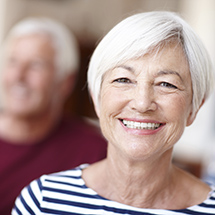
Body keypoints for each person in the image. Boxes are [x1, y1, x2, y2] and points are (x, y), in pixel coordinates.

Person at [12, 11, 215, 215]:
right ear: (97, 99)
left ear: (194, 108)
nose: (142, 103)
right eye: (123, 80)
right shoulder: (42, 200)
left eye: (166, 84)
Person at [0, 17, 107, 215]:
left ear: (66, 81)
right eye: (13, 62)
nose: (18, 76)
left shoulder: (95, 152)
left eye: (35, 65)